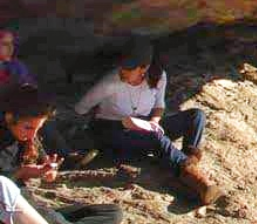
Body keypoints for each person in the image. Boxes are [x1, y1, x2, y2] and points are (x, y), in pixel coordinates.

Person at [74, 41, 219, 205]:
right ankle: (197, 180)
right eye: (122, 67)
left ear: (144, 68)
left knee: (196, 116)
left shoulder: (158, 77)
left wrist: (154, 121)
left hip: (143, 125)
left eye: (129, 69)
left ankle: (187, 169)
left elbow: (159, 106)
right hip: (113, 131)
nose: (123, 72)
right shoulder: (110, 82)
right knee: (155, 138)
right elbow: (81, 108)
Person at [0, 86, 123, 224]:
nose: (32, 134)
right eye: (28, 128)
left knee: (112, 212)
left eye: (38, 128)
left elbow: (40, 163)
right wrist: (22, 172)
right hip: (15, 206)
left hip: (33, 204)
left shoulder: (28, 137)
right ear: (9, 117)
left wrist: (45, 170)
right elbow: (3, 187)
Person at [0, 31, 94, 170]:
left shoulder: (16, 67)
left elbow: (32, 98)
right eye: (4, 44)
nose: (10, 48)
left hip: (17, 112)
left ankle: (60, 158)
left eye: (11, 43)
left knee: (39, 121)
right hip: (7, 116)